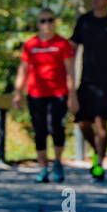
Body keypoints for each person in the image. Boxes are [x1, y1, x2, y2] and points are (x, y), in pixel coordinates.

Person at [14, 9, 74, 183]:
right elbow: (23, 70)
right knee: (39, 130)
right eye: (43, 21)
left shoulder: (63, 44)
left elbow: (70, 71)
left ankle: (57, 162)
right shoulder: (31, 44)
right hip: (36, 93)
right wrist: (17, 93)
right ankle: (42, 167)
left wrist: (73, 96)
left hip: (58, 93)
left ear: (55, 22)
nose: (46, 24)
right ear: (38, 23)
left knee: (55, 127)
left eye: (50, 20)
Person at [69, 0, 107, 182]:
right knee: (82, 122)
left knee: (101, 123)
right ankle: (97, 151)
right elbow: (71, 47)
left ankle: (98, 164)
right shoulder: (85, 21)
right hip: (86, 81)